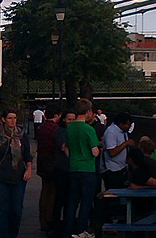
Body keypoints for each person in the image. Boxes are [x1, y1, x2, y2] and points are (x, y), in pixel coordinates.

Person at [0, 108, 32, 238]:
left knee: (16, 210)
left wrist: (29, 168)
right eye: (10, 118)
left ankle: (12, 234)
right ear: (4, 119)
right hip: (0, 175)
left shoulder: (21, 135)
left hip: (18, 175)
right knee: (2, 209)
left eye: (14, 118)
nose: (12, 121)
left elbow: (27, 155)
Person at [64, 98, 100, 238]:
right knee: (86, 202)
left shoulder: (70, 128)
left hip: (73, 167)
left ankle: (68, 230)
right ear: (88, 111)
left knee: (72, 201)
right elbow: (94, 151)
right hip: (87, 169)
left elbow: (67, 148)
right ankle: (81, 230)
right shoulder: (89, 129)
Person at [37, 103, 61, 233]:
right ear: (57, 115)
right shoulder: (55, 129)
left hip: (42, 162)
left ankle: (42, 218)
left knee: (44, 190)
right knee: (53, 192)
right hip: (52, 163)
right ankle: (49, 218)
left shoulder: (42, 128)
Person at [54, 109, 76, 238]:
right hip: (62, 169)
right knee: (60, 199)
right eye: (69, 119)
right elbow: (63, 146)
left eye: (73, 119)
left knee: (70, 200)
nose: (71, 122)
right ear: (64, 119)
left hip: (72, 169)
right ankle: (57, 227)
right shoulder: (60, 131)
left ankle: (68, 226)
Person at [100, 111, 135, 190]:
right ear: (120, 123)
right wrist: (126, 143)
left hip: (122, 168)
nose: (128, 127)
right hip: (112, 170)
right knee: (114, 194)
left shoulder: (123, 132)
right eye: (127, 124)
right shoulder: (111, 132)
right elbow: (112, 152)